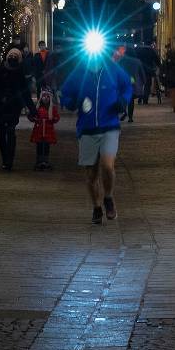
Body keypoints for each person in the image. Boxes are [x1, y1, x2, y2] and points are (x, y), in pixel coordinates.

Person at [60, 39, 133, 223]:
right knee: (91, 173)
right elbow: (65, 92)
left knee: (107, 166)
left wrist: (123, 101)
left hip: (109, 125)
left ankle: (108, 197)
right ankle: (96, 207)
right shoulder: (79, 72)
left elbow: (127, 86)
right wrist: (71, 102)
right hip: (87, 128)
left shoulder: (113, 69)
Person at [0, 48, 35, 171]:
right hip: (0, 106)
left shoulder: (19, 73)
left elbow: (25, 92)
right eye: (12, 56)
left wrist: (32, 109)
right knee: (1, 133)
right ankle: (5, 157)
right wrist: (1, 96)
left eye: (16, 57)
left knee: (10, 131)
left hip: (13, 106)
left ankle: (9, 159)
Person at [113, 45, 146, 122]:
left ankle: (124, 111)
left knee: (124, 98)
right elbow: (142, 73)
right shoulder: (138, 61)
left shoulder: (121, 61)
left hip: (123, 82)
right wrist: (144, 81)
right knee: (131, 100)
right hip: (134, 83)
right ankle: (130, 117)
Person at [31, 86, 60, 169]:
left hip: (48, 131)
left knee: (46, 146)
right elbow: (34, 115)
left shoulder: (53, 108)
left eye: (48, 96)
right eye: (44, 96)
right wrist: (39, 100)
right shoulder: (39, 107)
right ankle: (39, 161)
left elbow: (51, 118)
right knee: (39, 146)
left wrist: (51, 104)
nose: (46, 98)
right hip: (39, 130)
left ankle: (45, 161)